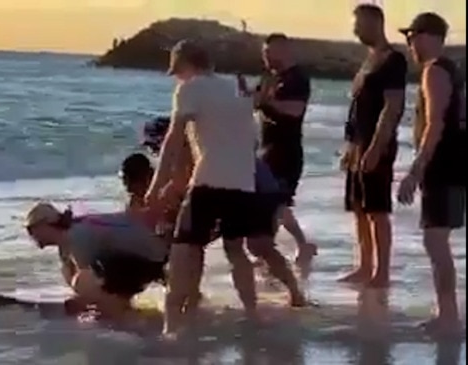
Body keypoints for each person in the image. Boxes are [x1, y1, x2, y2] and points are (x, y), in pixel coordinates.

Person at [144, 40, 268, 339]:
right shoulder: (235, 90)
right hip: (243, 182)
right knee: (235, 250)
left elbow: (173, 139)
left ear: (185, 65)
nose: (177, 78)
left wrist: (156, 185)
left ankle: (171, 326)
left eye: (177, 71)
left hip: (209, 180)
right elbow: (252, 140)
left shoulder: (190, 88)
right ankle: (252, 315)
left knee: (184, 249)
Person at [141, 117, 308, 307]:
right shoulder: (202, 137)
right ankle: (198, 296)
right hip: (249, 185)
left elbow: (184, 184)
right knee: (207, 244)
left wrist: (162, 201)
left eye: (154, 147)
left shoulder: (187, 146)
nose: (154, 153)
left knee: (253, 245)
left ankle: (289, 295)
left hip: (256, 188)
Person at [397, 12, 465, 336]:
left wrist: (415, 170)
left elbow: (435, 122)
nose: (409, 44)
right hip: (453, 163)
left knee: (435, 240)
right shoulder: (453, 69)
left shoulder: (435, 70)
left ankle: (448, 315)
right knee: (437, 239)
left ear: (428, 36)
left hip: (443, 165)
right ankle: (448, 312)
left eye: (411, 37)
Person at [339, 4, 407, 288]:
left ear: (374, 23)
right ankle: (364, 266)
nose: (355, 31)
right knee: (357, 206)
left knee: (376, 208)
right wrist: (350, 146)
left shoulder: (393, 60)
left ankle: (382, 272)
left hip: (377, 142)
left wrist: (376, 147)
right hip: (358, 142)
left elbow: (392, 107)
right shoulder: (369, 59)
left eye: (359, 24)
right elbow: (357, 107)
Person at [238, 33, 317, 265]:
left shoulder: (297, 79)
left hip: (287, 152)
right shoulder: (270, 78)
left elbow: (294, 110)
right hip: (267, 150)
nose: (266, 58)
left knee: (277, 203)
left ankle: (299, 245)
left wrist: (264, 101)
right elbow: (254, 103)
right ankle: (274, 249)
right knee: (273, 203)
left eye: (269, 53)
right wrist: (244, 96)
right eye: (264, 54)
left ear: (284, 50)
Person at [24, 202, 168, 322]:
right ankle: (122, 308)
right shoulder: (68, 238)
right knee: (83, 280)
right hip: (132, 260)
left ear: (44, 224)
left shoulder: (76, 235)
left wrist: (79, 303)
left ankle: (126, 317)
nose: (31, 236)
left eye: (31, 230)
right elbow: (72, 275)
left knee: (83, 282)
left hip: (151, 259)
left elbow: (85, 281)